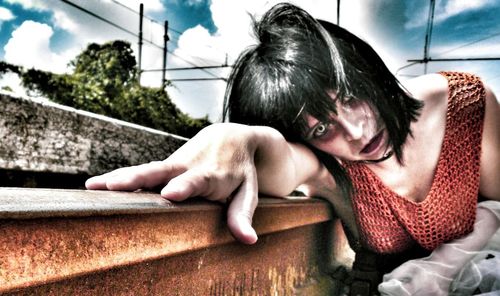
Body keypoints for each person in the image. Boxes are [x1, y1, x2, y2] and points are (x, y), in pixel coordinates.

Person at [86, 3, 499, 295]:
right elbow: (276, 157)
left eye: (353, 95)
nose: (355, 131)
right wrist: (232, 139)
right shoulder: (327, 166)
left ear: (366, 68)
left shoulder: (462, 104)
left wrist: (443, 266)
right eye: (320, 127)